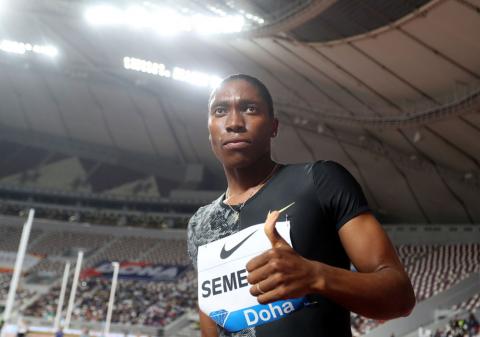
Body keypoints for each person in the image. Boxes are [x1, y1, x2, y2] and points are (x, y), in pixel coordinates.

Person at [187, 74, 415, 337]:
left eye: (250, 109)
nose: (235, 122)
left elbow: (401, 297)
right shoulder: (199, 224)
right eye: (220, 111)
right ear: (209, 129)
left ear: (273, 126)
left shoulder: (319, 181)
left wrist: (315, 275)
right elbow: (212, 320)